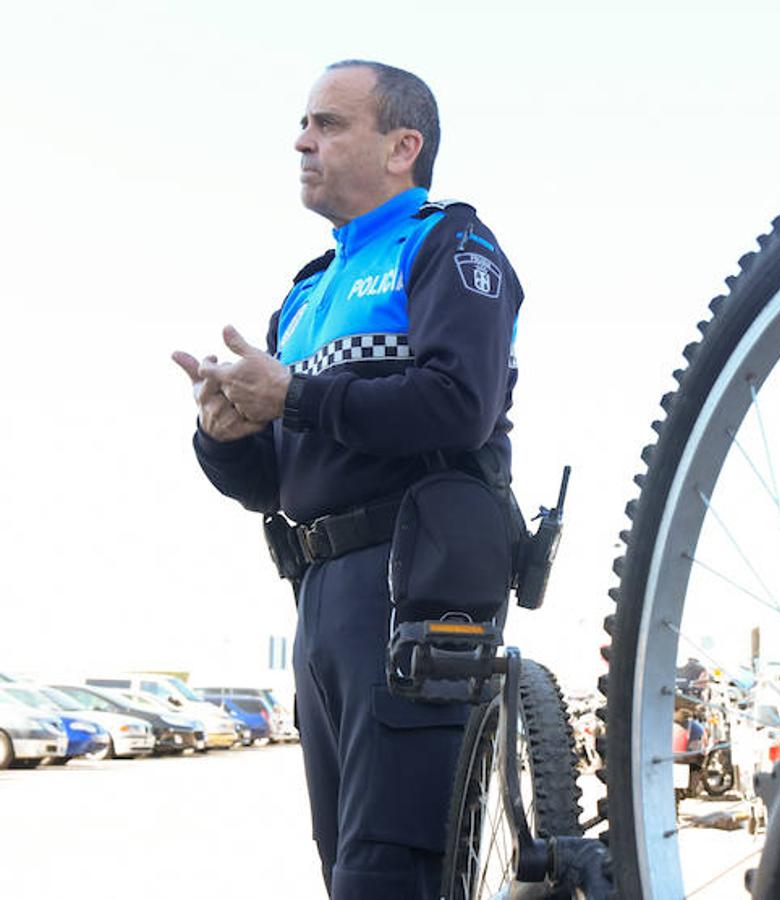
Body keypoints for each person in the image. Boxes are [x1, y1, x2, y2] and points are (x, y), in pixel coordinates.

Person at [172, 60, 523, 900]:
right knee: (344, 865)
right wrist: (220, 435)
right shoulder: (304, 293)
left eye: (328, 123)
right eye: (304, 123)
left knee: (391, 866)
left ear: (404, 146)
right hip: (319, 590)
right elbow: (276, 479)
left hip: (413, 578)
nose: (302, 140)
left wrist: (293, 393)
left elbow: (459, 405)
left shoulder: (447, 242)